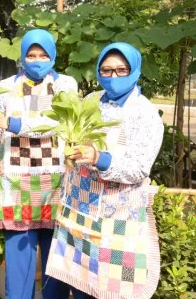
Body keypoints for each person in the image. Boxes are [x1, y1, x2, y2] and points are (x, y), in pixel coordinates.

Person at [45, 43, 163, 299]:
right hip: (80, 211)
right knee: (80, 281)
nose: (113, 77)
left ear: (135, 71)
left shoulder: (144, 114)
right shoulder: (91, 101)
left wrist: (100, 158)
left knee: (114, 288)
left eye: (122, 70)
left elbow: (140, 168)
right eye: (107, 70)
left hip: (118, 217)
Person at [0, 29, 78, 299]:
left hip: (57, 182)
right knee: (18, 264)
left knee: (56, 264)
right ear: (22, 56)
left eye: (43, 55)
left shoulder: (66, 86)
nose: (37, 59)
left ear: (53, 56)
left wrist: (11, 124)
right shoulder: (6, 87)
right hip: (16, 183)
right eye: (31, 55)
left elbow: (53, 124)